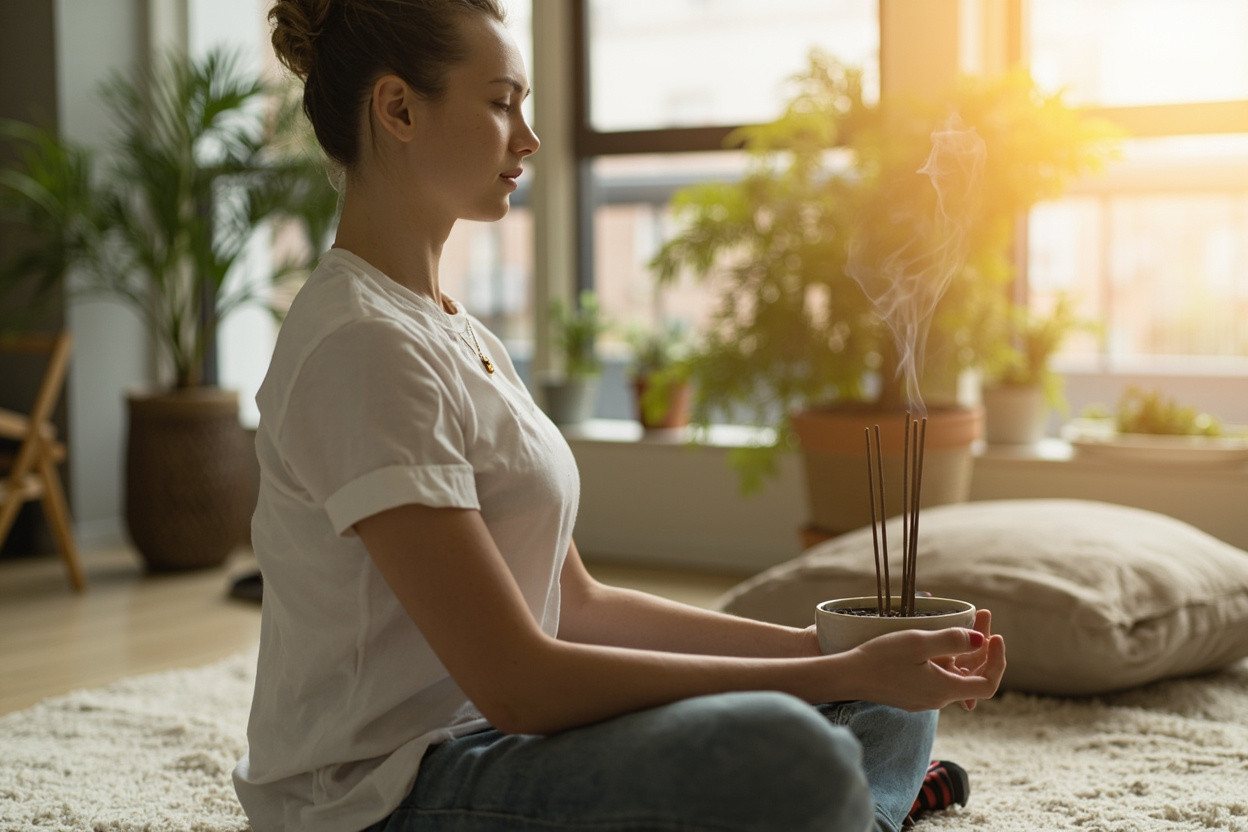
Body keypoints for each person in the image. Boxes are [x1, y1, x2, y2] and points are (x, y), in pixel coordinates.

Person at [235, 1, 1008, 830]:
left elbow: (580, 604)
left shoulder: (453, 328)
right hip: (393, 792)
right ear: (398, 109)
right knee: (793, 747)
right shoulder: (361, 345)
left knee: (888, 676)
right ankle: (860, 804)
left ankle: (857, 807)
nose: (528, 138)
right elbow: (521, 685)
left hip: (506, 742)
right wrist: (829, 679)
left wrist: (835, 653)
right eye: (501, 103)